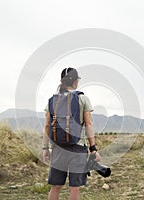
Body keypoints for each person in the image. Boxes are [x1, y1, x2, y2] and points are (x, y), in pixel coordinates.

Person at [42, 67, 101, 200]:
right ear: (76, 82)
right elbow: (88, 125)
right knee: (75, 187)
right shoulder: (83, 98)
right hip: (78, 148)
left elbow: (47, 126)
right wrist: (93, 149)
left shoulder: (52, 100)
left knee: (56, 186)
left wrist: (45, 148)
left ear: (61, 81)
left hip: (58, 148)